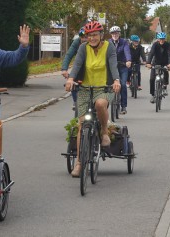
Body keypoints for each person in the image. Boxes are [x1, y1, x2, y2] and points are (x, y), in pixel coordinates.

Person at [65, 21, 121, 177]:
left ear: (101, 35)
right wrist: (71, 79)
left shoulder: (109, 47)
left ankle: (103, 132)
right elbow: (76, 65)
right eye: (89, 36)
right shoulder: (83, 48)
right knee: (82, 125)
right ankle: (79, 163)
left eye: (95, 35)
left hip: (104, 87)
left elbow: (113, 65)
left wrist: (116, 80)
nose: (92, 38)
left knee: (100, 104)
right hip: (85, 89)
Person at [61, 26, 88, 109]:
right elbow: (69, 55)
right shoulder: (76, 42)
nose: (84, 39)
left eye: (86, 37)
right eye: (82, 37)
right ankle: (76, 101)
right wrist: (64, 69)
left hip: (92, 67)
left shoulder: (93, 43)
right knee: (72, 81)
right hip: (79, 66)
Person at [109, 26, 131, 114]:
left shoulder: (124, 42)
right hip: (111, 67)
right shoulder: (108, 43)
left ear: (119, 34)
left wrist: (128, 60)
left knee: (122, 84)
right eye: (113, 33)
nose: (115, 35)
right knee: (107, 85)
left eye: (117, 33)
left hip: (122, 66)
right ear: (111, 34)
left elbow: (127, 51)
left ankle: (123, 106)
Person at [146, 32, 170, 103]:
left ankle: (164, 87)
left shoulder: (168, 45)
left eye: (163, 39)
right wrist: (148, 63)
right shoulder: (155, 45)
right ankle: (152, 95)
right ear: (158, 39)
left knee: (166, 72)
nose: (162, 40)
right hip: (156, 63)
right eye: (160, 39)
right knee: (152, 79)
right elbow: (151, 53)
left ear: (165, 39)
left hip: (165, 62)